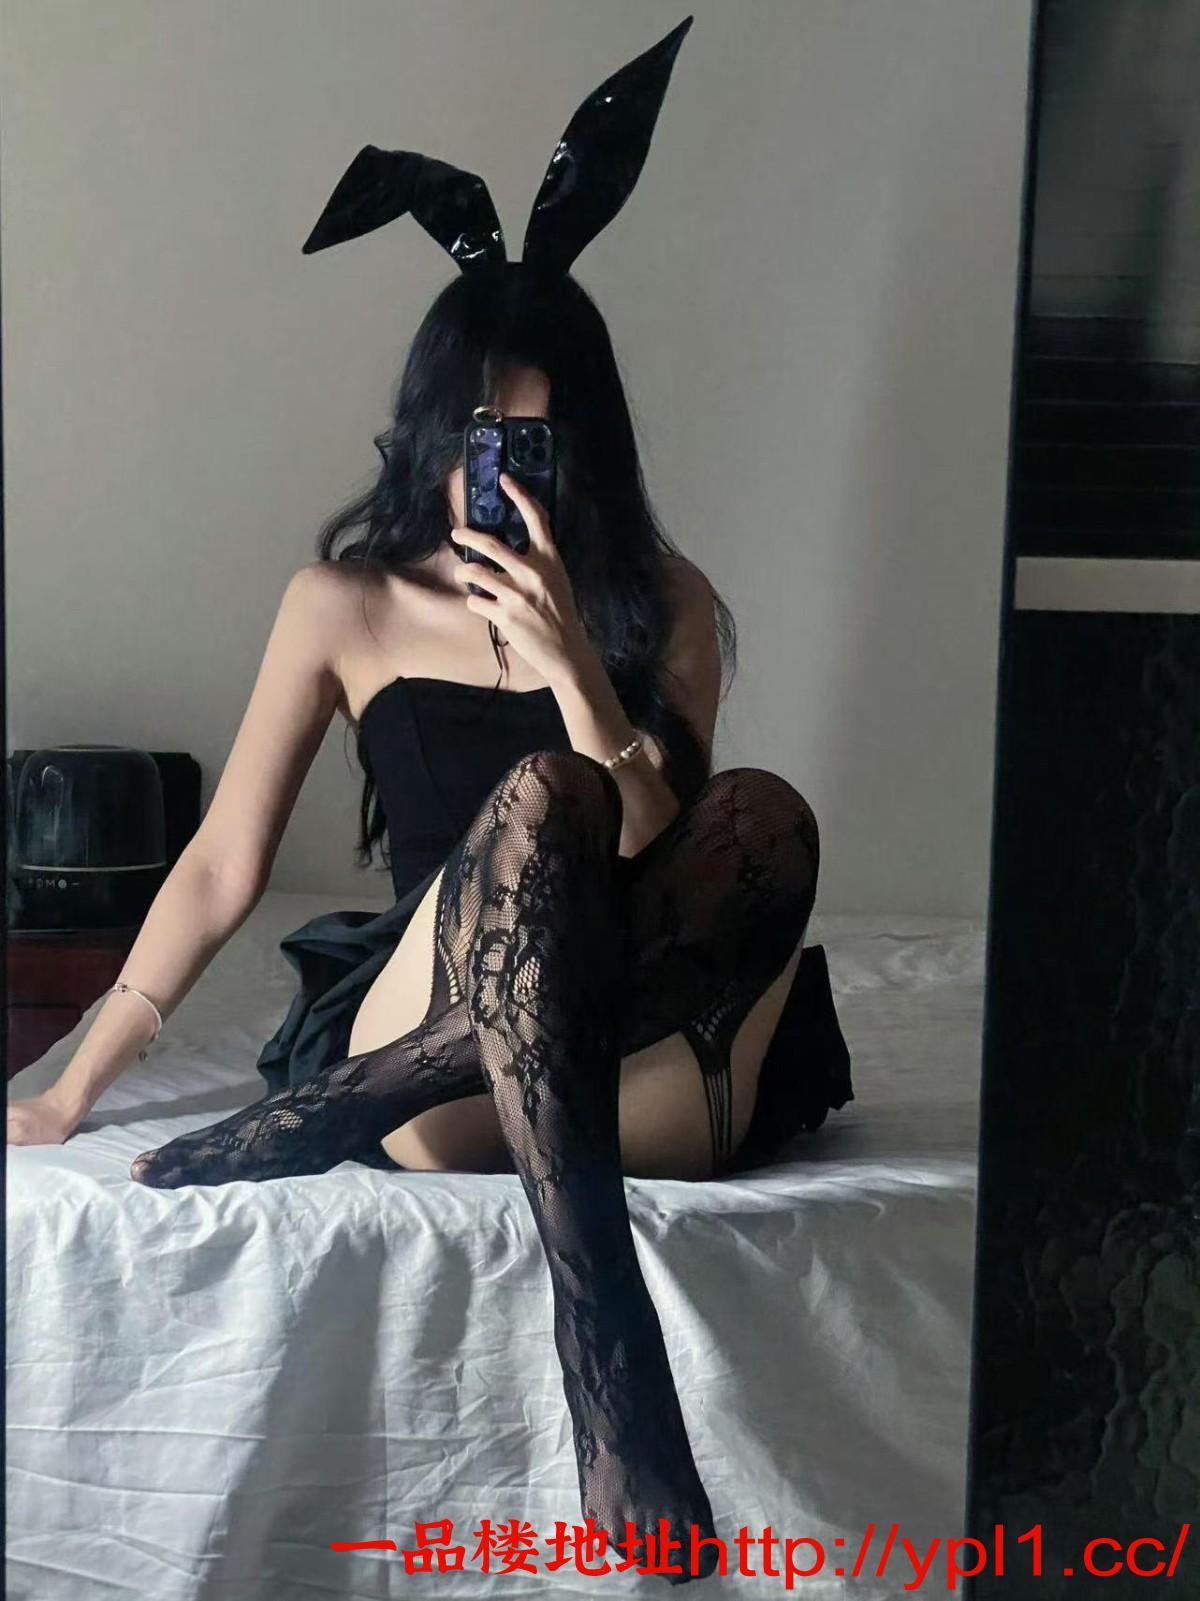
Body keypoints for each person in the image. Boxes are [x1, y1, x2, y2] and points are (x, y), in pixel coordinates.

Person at [7, 18, 850, 1584]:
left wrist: (580, 670)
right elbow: (224, 862)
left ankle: (341, 1100)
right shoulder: (342, 604)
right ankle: (610, 1364)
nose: (502, 468)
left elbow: (674, 856)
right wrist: (77, 1083)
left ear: (587, 443)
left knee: (767, 819)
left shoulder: (663, 599)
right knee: (538, 799)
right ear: (428, 430)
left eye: (534, 438)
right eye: (479, 434)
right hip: (454, 1021)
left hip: (636, 1053)